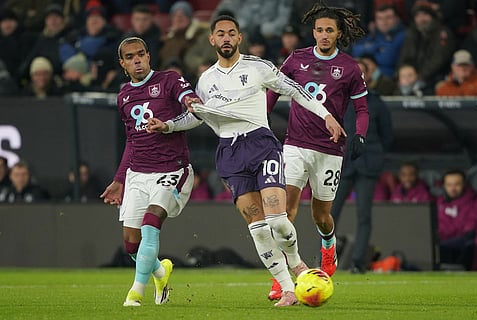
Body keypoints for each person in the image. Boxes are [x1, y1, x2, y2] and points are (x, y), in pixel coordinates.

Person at [147, 14, 346, 307]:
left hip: (261, 145)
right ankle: (288, 289)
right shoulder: (206, 80)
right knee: (257, 226)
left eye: (231, 33)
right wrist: (169, 126)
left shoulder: (258, 67)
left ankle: (297, 263)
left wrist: (326, 115)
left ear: (239, 38)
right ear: (212, 40)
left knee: (278, 221)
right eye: (221, 34)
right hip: (229, 153)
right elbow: (196, 115)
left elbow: (295, 90)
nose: (226, 38)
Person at [266, 2, 369, 294]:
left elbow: (362, 109)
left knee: (321, 216)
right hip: (295, 144)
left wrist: (360, 135)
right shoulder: (296, 59)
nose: (323, 35)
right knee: (285, 211)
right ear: (313, 31)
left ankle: (328, 244)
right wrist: (262, 123)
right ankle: (283, 276)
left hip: (330, 150)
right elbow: (275, 89)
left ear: (338, 34)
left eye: (329, 30)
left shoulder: (349, 68)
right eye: (319, 30)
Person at [100, 36, 198, 307]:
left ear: (148, 55)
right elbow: (132, 141)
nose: (137, 60)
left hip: (172, 169)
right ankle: (160, 271)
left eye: (141, 54)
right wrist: (120, 179)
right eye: (130, 57)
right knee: (131, 245)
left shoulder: (169, 80)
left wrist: (173, 119)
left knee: (151, 221)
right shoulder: (124, 96)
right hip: (138, 174)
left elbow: (192, 106)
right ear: (123, 63)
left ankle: (135, 292)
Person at [329, 57, 393, 274]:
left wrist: (373, 152)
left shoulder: (376, 102)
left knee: (364, 214)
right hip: (343, 163)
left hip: (367, 165)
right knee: (330, 213)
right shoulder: (338, 101)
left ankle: (357, 262)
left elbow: (387, 136)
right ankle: (326, 259)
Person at [397, 1, 455, 93]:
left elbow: (438, 59)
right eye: (418, 16)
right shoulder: (412, 33)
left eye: (425, 15)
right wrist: (404, 72)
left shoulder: (442, 33)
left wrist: (420, 76)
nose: (421, 19)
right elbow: (405, 56)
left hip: (436, 77)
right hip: (413, 77)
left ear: (432, 16)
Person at [436, 169, 477, 270]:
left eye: (457, 184)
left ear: (464, 184)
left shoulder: (474, 202)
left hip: (462, 245)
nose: (453, 188)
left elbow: (469, 231)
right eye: (449, 185)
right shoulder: (439, 202)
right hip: (440, 243)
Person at [351, 4, 406, 78]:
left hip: (389, 78)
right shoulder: (375, 34)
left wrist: (368, 49)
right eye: (380, 18)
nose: (384, 22)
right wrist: (377, 48)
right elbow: (355, 50)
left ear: (397, 18)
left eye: (388, 18)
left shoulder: (403, 35)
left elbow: (387, 59)